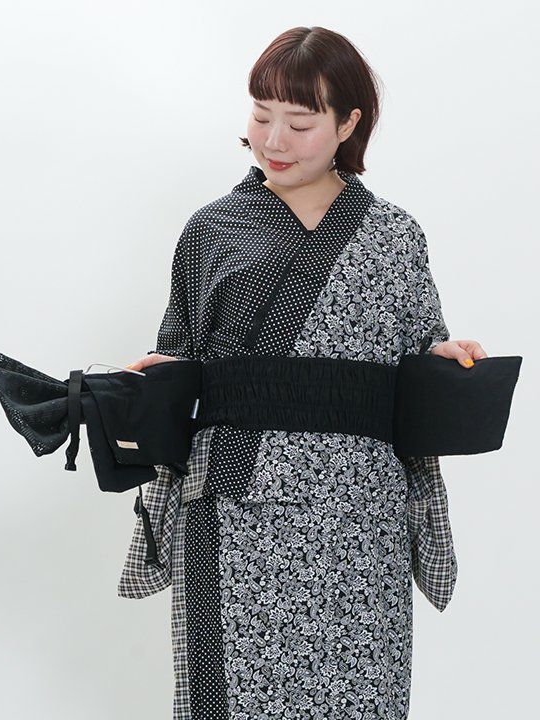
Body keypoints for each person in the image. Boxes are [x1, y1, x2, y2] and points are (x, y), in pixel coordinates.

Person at [124, 26, 487, 720]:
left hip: (360, 513)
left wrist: (439, 360)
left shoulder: (394, 234)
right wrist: (160, 375)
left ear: (348, 123)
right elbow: (180, 352)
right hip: (235, 503)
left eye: (299, 123)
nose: (274, 141)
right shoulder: (211, 229)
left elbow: (418, 349)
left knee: (360, 695)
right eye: (261, 116)